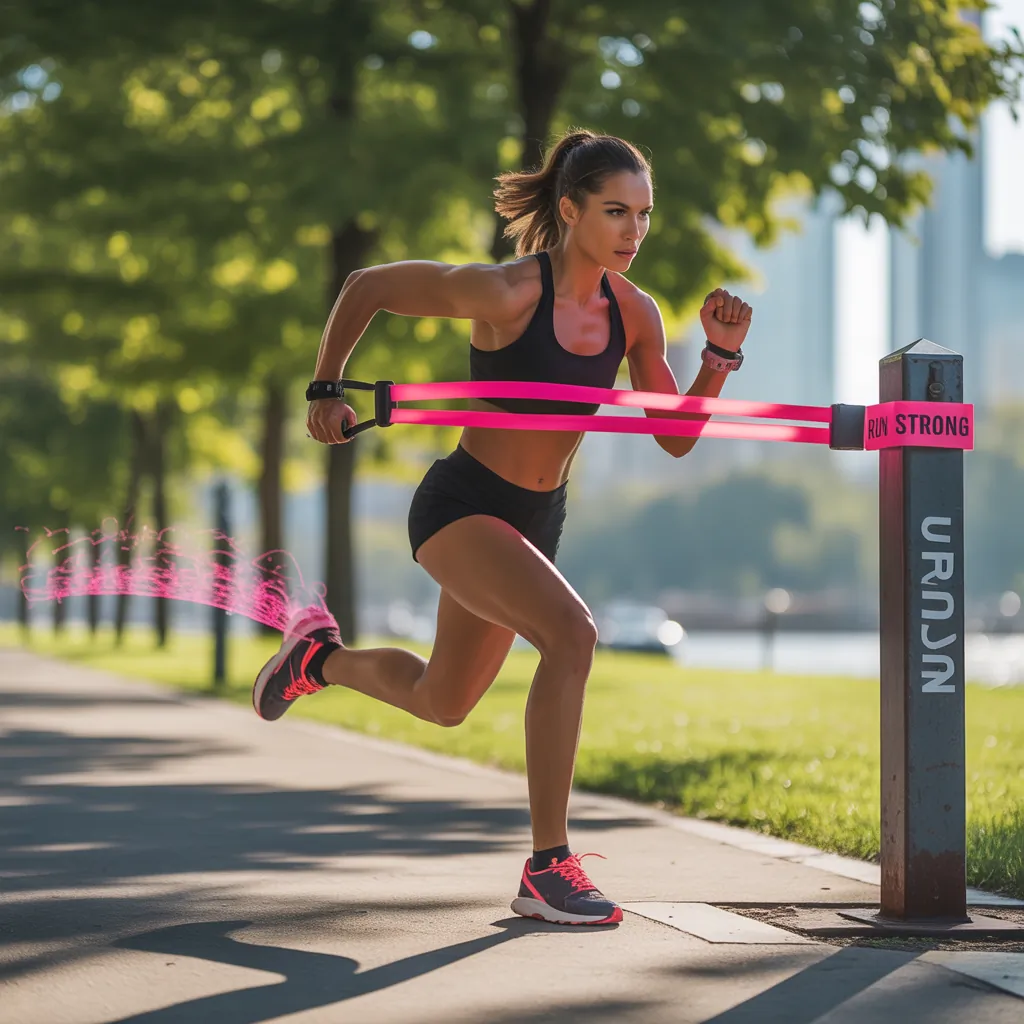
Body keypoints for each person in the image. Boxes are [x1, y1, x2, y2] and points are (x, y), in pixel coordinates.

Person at [252, 129, 753, 926]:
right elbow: (366, 285)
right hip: (463, 507)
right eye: (617, 212)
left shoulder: (637, 314)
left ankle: (320, 660)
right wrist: (326, 386)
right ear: (569, 209)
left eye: (645, 216)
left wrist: (718, 357)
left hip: (534, 520)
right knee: (574, 634)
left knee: (442, 699)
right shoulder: (508, 292)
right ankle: (549, 866)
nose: (634, 231)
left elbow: (675, 433)